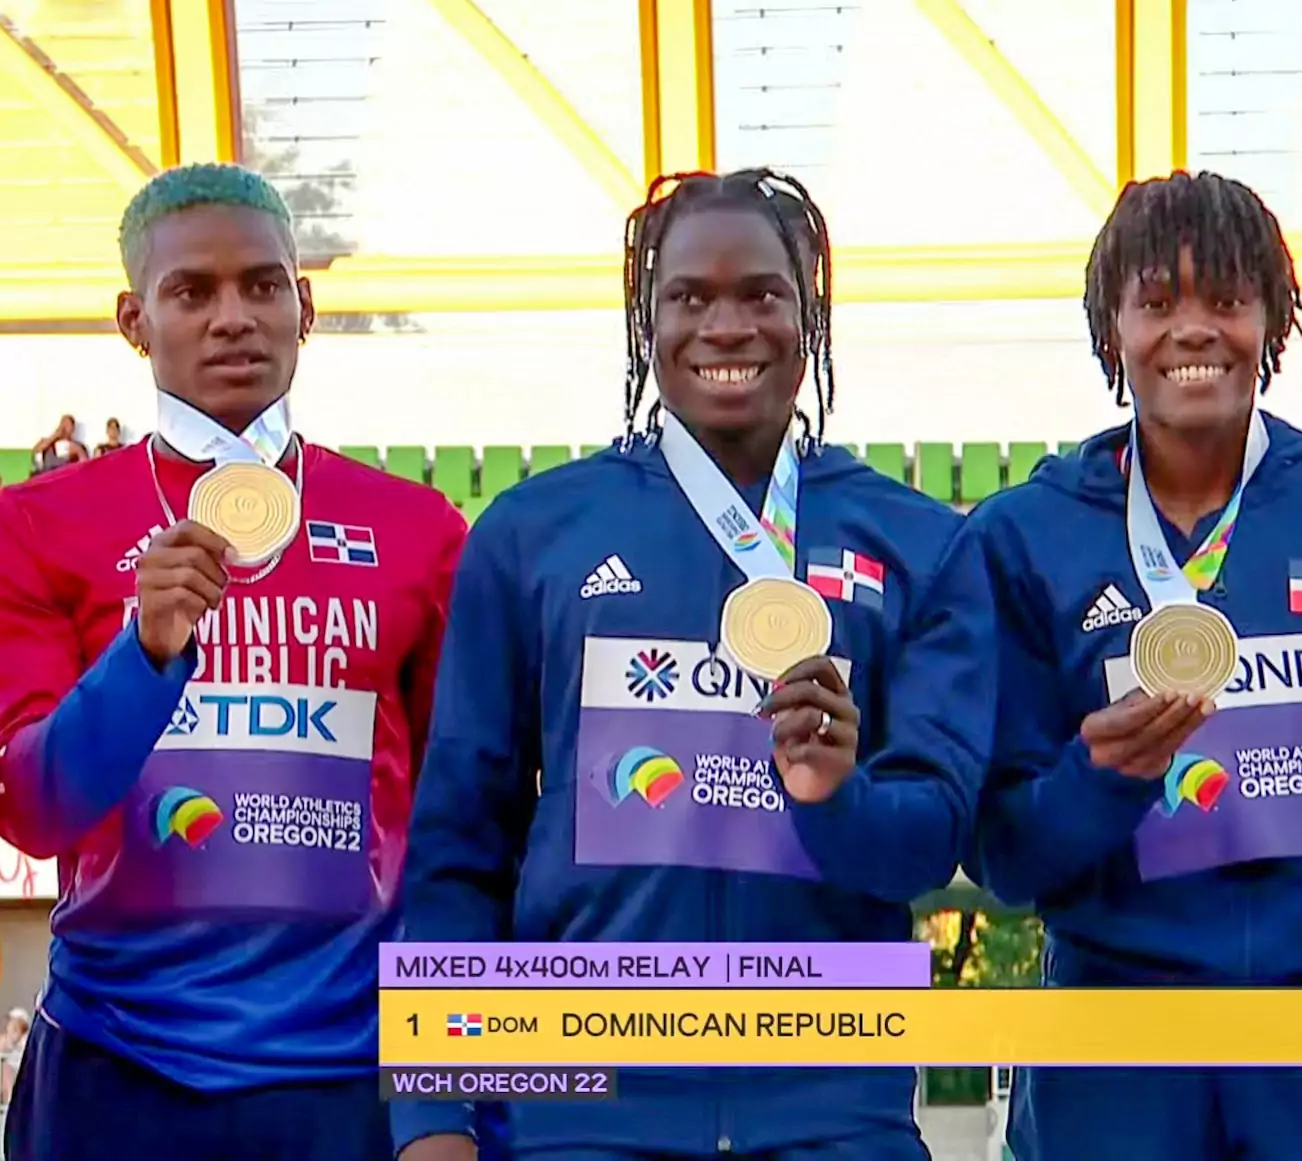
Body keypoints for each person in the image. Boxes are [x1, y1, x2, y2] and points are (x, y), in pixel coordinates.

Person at [391, 167, 996, 1161]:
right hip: (581, 1107)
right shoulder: (533, 534)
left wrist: (836, 794)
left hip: (835, 1107)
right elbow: (461, 845)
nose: (727, 326)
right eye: (689, 297)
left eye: (763, 294)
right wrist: (431, 1115)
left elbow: (930, 843)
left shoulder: (918, 544)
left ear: (811, 317)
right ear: (646, 321)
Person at [964, 170, 1302, 1161]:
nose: (1194, 330)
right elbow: (1003, 858)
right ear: (1111, 328)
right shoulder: (1021, 539)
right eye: (1157, 303)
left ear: (1271, 316)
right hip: (1115, 1066)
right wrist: (1096, 783)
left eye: (1226, 298)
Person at [0, 163, 467, 1160]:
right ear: (135, 320)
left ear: (304, 304)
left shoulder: (416, 529)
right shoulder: (39, 526)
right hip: (114, 1071)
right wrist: (145, 652)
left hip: (348, 1077)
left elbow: (456, 828)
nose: (232, 318)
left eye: (262, 286)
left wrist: (451, 1090)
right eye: (191, 292)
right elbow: (35, 809)